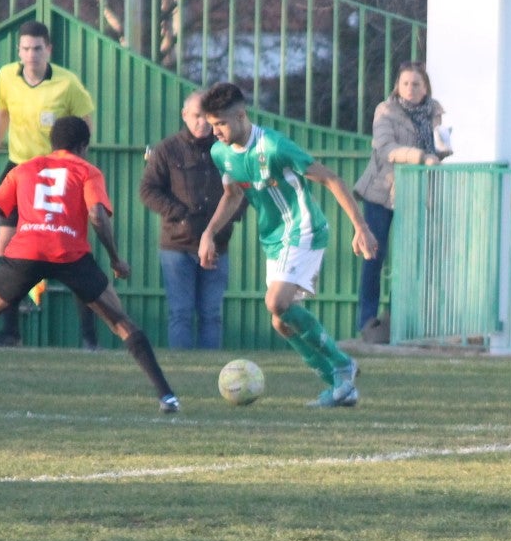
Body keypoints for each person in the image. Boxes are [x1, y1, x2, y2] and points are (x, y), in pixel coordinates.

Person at [0, 116, 179, 413]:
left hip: (26, 251)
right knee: (121, 322)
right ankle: (166, 396)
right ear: (83, 146)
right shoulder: (88, 171)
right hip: (70, 253)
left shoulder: (23, 169)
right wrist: (116, 259)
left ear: (53, 143)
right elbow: (96, 215)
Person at [196, 81, 379, 407]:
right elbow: (232, 194)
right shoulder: (219, 153)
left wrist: (361, 227)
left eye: (220, 123)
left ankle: (342, 363)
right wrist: (208, 233)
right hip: (274, 239)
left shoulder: (274, 146)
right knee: (281, 321)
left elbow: (331, 178)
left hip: (304, 228)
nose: (216, 132)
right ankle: (339, 386)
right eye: (212, 125)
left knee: (276, 302)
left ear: (241, 116)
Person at [0, 20, 101, 351]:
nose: (31, 55)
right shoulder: (6, 76)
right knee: (5, 246)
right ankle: (10, 332)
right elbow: (2, 113)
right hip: (20, 169)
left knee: (72, 250)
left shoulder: (67, 84)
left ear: (49, 49)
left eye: (37, 48)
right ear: (18, 51)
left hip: (56, 175)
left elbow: (86, 122)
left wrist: (78, 163)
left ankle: (89, 338)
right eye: (25, 49)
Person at [352, 61, 451, 339]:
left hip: (415, 194)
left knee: (409, 257)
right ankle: (367, 321)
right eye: (405, 83)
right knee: (374, 255)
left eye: (416, 84)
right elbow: (385, 148)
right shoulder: (385, 110)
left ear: (425, 88)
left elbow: (436, 148)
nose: (410, 89)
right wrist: (421, 157)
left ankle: (396, 318)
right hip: (382, 191)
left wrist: (442, 150)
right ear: (397, 86)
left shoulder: (433, 112)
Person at [139, 90, 239, 348]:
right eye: (196, 116)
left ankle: (209, 366)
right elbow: (148, 190)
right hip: (178, 246)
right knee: (180, 313)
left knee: (211, 315)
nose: (202, 123)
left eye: (207, 117)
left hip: (217, 245)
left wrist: (229, 220)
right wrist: (180, 214)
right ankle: (181, 366)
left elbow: (244, 188)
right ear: (184, 115)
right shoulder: (167, 150)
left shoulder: (226, 149)